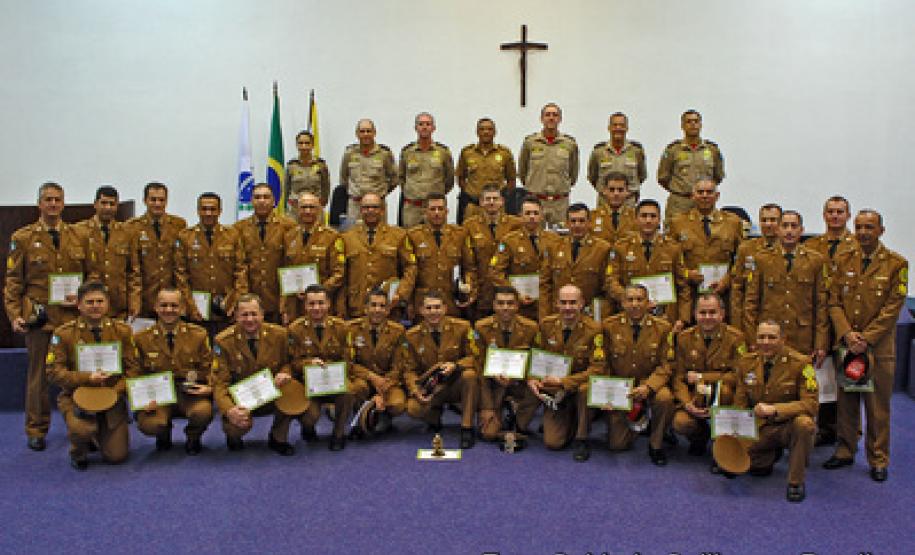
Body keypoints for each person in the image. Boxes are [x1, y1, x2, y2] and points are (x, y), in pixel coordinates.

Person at [822, 210, 907, 482]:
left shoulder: (896, 264)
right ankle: (846, 450)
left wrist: (866, 338)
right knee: (846, 403)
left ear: (881, 230)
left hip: (878, 349)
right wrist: (847, 334)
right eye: (858, 227)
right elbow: (833, 302)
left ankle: (878, 458)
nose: (863, 232)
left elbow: (893, 308)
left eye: (869, 227)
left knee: (877, 408)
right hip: (847, 346)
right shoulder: (842, 260)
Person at [4, 182, 88, 451]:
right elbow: (13, 281)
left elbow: (92, 275)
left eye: (58, 200)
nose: (53, 204)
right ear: (39, 204)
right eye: (48, 199)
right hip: (40, 318)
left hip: (72, 318)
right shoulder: (24, 237)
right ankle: (36, 428)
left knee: (76, 373)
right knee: (38, 376)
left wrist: (84, 297)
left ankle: (82, 424)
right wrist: (15, 314)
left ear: (64, 203)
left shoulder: (78, 236)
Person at [574, 284, 674, 465]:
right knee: (585, 391)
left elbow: (666, 366)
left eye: (639, 299)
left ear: (648, 303)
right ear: (622, 303)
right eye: (630, 300)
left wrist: (648, 387)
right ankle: (582, 438)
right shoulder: (608, 326)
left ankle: (656, 444)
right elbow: (601, 361)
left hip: (646, 383)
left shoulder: (664, 328)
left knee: (664, 397)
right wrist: (606, 392)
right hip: (618, 386)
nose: (634, 304)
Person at [46, 281, 138, 469]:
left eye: (99, 301)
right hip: (78, 396)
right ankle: (78, 450)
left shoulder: (122, 331)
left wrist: (115, 391)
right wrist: (87, 378)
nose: (95, 306)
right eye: (89, 302)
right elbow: (53, 372)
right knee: (83, 430)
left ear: (107, 304)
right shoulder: (63, 334)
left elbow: (134, 369)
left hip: (112, 395)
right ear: (78, 305)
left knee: (116, 456)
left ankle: (99, 435)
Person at [732, 321, 818, 503]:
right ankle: (770, 454)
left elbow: (811, 404)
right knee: (751, 466)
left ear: (783, 339)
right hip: (761, 427)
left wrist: (776, 410)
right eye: (761, 337)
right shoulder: (746, 362)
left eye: (772, 337)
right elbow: (740, 404)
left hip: (788, 426)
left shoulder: (801, 363)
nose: (766, 342)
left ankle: (796, 482)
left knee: (805, 424)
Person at [210, 294, 295, 455]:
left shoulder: (280, 335)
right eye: (244, 314)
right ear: (236, 316)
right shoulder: (223, 341)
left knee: (291, 391)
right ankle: (234, 436)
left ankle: (278, 437)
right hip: (241, 400)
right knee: (235, 427)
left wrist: (284, 373)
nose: (250, 319)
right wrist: (229, 410)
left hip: (272, 394)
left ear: (262, 314)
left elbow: (289, 363)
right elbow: (220, 382)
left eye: (254, 314)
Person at [133, 288, 213, 455]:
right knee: (150, 424)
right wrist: (141, 401)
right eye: (163, 305)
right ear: (155, 307)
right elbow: (135, 373)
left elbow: (210, 367)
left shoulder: (198, 334)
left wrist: (210, 387)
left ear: (183, 307)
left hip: (189, 393)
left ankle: (193, 437)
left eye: (174, 305)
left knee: (203, 412)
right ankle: (163, 433)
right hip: (158, 396)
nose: (168, 310)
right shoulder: (141, 338)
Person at [745, 211, 829, 365]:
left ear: (801, 230)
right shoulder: (762, 259)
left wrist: (820, 343)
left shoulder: (815, 260)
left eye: (794, 226)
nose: (789, 231)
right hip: (769, 337)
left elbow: (821, 305)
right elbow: (751, 303)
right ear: (777, 229)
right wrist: (752, 339)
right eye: (785, 226)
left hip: (802, 337)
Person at [803, 195, 854, 446]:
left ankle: (848, 430)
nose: (835, 216)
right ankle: (824, 427)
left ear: (848, 215)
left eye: (840, 212)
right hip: (818, 320)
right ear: (824, 215)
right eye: (831, 211)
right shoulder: (811, 245)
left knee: (850, 380)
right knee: (822, 376)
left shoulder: (858, 245)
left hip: (849, 322)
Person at [671, 293, 747, 462]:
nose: (707, 317)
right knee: (680, 423)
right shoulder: (684, 338)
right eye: (702, 313)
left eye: (712, 312)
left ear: (722, 314)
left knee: (724, 392)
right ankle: (700, 436)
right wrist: (687, 404)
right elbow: (679, 377)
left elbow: (738, 376)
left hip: (724, 398)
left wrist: (701, 376)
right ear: (695, 314)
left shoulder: (736, 338)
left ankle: (721, 445)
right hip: (695, 397)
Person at [529, 285, 605, 450]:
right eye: (563, 302)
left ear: (582, 303)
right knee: (553, 443)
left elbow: (598, 369)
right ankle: (571, 420)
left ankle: (582, 437)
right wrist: (532, 378)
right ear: (556, 303)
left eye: (573, 302)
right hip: (555, 392)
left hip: (578, 388)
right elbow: (535, 356)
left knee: (586, 390)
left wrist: (564, 381)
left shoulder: (595, 330)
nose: (568, 308)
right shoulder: (546, 325)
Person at [402, 291, 479, 448]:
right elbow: (409, 369)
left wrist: (456, 365)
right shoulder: (411, 335)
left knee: (470, 375)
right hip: (432, 387)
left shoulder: (462, 327)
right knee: (413, 409)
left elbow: (476, 357)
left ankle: (466, 427)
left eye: (437, 307)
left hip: (455, 383)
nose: (433, 312)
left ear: (445, 308)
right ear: (421, 310)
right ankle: (434, 414)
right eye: (428, 308)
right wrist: (415, 390)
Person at [287, 285, 355, 451]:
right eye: (311, 304)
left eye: (320, 303)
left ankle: (339, 433)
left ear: (328, 304)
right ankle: (308, 428)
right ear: (305, 306)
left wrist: (333, 369)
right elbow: (292, 362)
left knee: (348, 391)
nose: (316, 308)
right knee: (310, 416)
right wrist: (308, 364)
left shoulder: (341, 327)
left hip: (334, 381)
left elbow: (349, 359)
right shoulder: (295, 329)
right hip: (308, 384)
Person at [609, 199, 690, 331]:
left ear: (659, 220)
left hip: (664, 316)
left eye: (653, 216)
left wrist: (683, 319)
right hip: (630, 315)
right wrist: (633, 300)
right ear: (636, 219)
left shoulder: (673, 248)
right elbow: (611, 281)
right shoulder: (621, 247)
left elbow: (683, 286)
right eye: (644, 216)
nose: (648, 220)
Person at [175, 192, 247, 337]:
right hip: (195, 311)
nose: (208, 213)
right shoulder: (185, 236)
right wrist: (190, 306)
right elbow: (180, 275)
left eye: (213, 209)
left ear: (220, 211)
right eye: (204, 209)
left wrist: (237, 304)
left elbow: (241, 272)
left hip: (226, 309)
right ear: (198, 210)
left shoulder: (232, 235)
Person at [474, 286, 539, 442]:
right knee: (489, 435)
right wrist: (488, 407)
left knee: (536, 386)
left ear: (517, 305)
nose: (505, 308)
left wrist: (521, 377)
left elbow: (536, 361)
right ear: (494, 305)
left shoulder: (532, 328)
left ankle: (519, 422)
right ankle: (498, 412)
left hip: (520, 384)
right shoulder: (481, 327)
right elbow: (478, 365)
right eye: (501, 303)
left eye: (510, 303)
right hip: (493, 384)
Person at [667, 179, 744, 306]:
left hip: (723, 294)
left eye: (709, 192)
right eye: (700, 192)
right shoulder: (678, 223)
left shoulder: (733, 223)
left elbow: (742, 258)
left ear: (717, 196)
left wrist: (728, 279)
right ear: (692, 196)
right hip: (689, 293)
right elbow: (669, 258)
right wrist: (686, 273)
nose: (704, 196)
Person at [340, 193, 416, 319]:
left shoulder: (398, 236)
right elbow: (342, 276)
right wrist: (341, 306)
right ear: (360, 210)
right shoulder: (347, 237)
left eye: (375, 207)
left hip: (389, 307)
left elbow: (410, 267)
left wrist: (401, 293)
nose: (370, 211)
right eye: (366, 207)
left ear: (382, 210)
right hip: (357, 306)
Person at [346, 288, 408, 435]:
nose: (377, 310)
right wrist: (371, 377)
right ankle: (360, 415)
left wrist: (382, 391)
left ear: (388, 310)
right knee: (356, 389)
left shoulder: (398, 331)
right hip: (362, 380)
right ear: (365, 308)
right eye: (373, 305)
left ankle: (383, 415)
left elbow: (399, 365)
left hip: (387, 381)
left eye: (382, 306)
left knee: (397, 404)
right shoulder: (351, 329)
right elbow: (348, 363)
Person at [74, 185, 141, 320]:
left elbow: (134, 272)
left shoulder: (127, 232)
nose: (108, 208)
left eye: (112, 204)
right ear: (95, 204)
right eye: (104, 203)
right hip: (89, 306)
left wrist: (134, 302)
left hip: (118, 307)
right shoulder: (78, 231)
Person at [233, 183, 296, 323]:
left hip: (277, 299)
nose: (262, 201)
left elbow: (290, 265)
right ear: (252, 201)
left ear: (274, 201)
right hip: (250, 300)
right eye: (257, 197)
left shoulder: (289, 226)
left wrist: (286, 302)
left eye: (266, 197)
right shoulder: (239, 228)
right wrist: (241, 299)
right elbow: (238, 266)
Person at [490, 196, 560, 321]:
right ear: (520, 216)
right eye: (527, 213)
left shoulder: (555, 240)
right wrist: (514, 294)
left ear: (542, 216)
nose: (532, 217)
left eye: (535, 213)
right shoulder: (509, 241)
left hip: (547, 304)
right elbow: (496, 272)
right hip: (520, 307)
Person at [539, 203, 613, 321]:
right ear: (567, 223)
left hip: (590, 316)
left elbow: (607, 287)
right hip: (559, 314)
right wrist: (544, 318)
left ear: (590, 223)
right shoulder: (553, 247)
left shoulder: (602, 248)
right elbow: (545, 285)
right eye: (573, 221)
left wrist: (603, 317)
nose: (577, 225)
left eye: (581, 221)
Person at [407, 193, 477, 317]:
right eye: (432, 209)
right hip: (423, 303)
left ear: (447, 211)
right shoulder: (413, 236)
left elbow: (469, 268)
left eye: (440, 209)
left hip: (452, 302)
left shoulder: (460, 234)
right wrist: (409, 302)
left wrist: (469, 288)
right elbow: (408, 273)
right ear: (425, 212)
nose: (437, 213)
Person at [279, 191, 345, 323]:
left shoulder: (332, 237)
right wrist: (284, 306)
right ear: (297, 209)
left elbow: (339, 274)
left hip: (320, 306)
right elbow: (284, 272)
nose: (308, 211)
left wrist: (316, 292)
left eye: (312, 207)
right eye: (304, 207)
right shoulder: (289, 236)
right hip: (294, 306)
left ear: (320, 209)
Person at [126, 182, 187, 317]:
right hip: (145, 297)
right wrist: (134, 301)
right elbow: (133, 268)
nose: (157, 204)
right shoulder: (132, 227)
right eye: (153, 200)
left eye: (161, 200)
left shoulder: (178, 225)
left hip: (171, 298)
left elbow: (181, 266)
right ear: (145, 201)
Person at [462, 184, 521, 319]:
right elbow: (468, 263)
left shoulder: (516, 224)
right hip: (482, 292)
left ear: (502, 202)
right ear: (481, 202)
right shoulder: (469, 226)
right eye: (487, 199)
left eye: (495, 199)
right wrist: (471, 289)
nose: (491, 202)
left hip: (509, 291)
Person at [657, 109, 725, 224]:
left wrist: (703, 193)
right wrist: (681, 190)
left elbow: (718, 176)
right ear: (682, 126)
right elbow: (663, 177)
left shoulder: (712, 150)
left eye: (696, 121)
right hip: (680, 203)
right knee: (675, 236)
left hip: (705, 203)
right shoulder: (673, 150)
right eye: (689, 121)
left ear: (701, 125)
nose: (693, 124)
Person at [517, 103, 579, 226]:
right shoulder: (530, 143)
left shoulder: (569, 144)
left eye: (555, 115)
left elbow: (573, 174)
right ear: (541, 119)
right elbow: (523, 171)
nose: (551, 118)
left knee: (560, 238)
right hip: (535, 201)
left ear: (560, 119)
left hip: (560, 202)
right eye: (547, 115)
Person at [729, 203, 782, 332]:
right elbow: (737, 289)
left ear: (781, 222)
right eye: (764, 220)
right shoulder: (746, 249)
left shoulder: (788, 250)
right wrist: (737, 326)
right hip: (752, 320)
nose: (768, 224)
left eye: (773, 220)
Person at [455, 117, 517, 223]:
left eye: (489, 129)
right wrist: (471, 193)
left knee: (499, 236)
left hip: (497, 207)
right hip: (473, 206)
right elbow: (460, 177)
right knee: (470, 235)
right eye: (482, 129)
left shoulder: (504, 153)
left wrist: (501, 197)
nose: (486, 132)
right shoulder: (467, 153)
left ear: (495, 132)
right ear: (477, 132)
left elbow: (511, 180)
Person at [398, 112, 454, 227]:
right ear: (416, 128)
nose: (424, 127)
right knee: (410, 241)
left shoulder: (443, 152)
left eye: (428, 124)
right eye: (421, 124)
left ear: (433, 128)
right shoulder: (407, 152)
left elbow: (449, 180)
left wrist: (436, 198)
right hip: (413, 208)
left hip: (435, 208)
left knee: (436, 241)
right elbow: (401, 178)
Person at [340, 119, 397, 221]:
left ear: (374, 133)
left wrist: (380, 194)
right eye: (362, 131)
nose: (365, 134)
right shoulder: (349, 153)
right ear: (357, 134)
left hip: (377, 206)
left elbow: (394, 178)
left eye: (368, 131)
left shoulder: (384, 154)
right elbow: (344, 178)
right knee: (354, 235)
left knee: (380, 235)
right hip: (356, 205)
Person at [587, 112, 647, 208]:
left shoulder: (636, 151)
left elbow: (642, 176)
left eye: (622, 125)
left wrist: (627, 192)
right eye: (615, 125)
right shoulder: (598, 152)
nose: (618, 128)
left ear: (627, 128)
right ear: (609, 128)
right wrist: (607, 192)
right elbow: (592, 177)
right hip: (605, 203)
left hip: (629, 203)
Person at [285, 130, 330, 211]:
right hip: (295, 208)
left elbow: (325, 188)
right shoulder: (291, 165)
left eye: (307, 143)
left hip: (315, 208)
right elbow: (286, 189)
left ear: (312, 145)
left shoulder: (320, 165)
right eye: (301, 143)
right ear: (297, 145)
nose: (304, 146)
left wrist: (320, 204)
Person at [589, 172, 639, 245]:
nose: (616, 194)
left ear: (627, 192)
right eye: (612, 190)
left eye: (620, 190)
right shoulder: (592, 217)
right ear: (604, 191)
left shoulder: (635, 218)